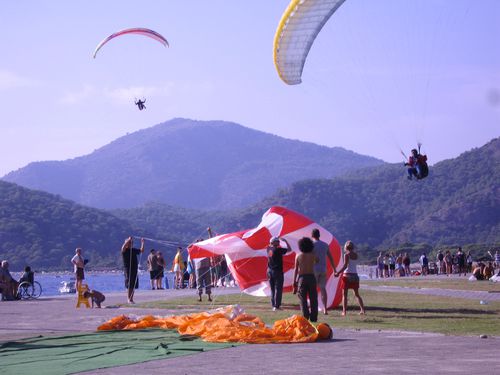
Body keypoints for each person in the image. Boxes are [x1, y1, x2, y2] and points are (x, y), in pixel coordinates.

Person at [334, 241, 366, 316]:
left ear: (346, 247)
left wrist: (338, 273)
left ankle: (344, 311)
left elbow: (345, 266)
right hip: (355, 275)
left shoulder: (346, 255)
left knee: (344, 295)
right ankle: (362, 310)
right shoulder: (356, 255)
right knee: (357, 294)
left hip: (347, 275)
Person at [293, 237, 319, 322]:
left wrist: (294, 282)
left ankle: (305, 316)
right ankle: (314, 317)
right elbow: (317, 261)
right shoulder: (313, 255)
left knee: (302, 299)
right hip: (311, 277)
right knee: (313, 298)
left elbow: (296, 269)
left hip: (302, 278)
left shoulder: (298, 255)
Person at [311, 228, 336, 314]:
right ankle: (325, 308)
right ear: (319, 235)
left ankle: (313, 307)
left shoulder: (312, 245)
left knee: (313, 289)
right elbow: (331, 258)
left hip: (314, 269)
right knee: (323, 289)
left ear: (312, 236)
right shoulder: (325, 245)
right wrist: (335, 269)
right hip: (323, 269)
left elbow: (309, 257)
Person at [267, 236, 292, 311]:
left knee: (272, 289)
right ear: (273, 242)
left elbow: (270, 245)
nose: (279, 242)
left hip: (269, 271)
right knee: (278, 289)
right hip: (277, 271)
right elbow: (290, 249)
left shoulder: (268, 249)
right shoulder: (278, 250)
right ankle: (276, 306)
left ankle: (273, 305)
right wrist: (285, 241)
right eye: (277, 241)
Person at [121, 236, 145, 304]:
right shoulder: (124, 251)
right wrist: (128, 240)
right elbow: (123, 248)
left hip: (134, 269)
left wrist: (142, 242)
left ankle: (131, 299)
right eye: (130, 243)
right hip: (128, 269)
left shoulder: (133, 250)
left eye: (131, 243)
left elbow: (141, 250)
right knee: (129, 284)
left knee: (133, 284)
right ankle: (129, 299)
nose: (131, 244)